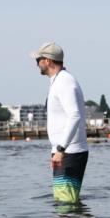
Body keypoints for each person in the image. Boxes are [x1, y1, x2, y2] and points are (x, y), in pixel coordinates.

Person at [31, 41, 89, 204]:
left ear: (48, 61)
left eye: (38, 60)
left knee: (66, 204)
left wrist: (61, 149)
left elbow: (75, 116)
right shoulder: (58, 81)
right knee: (62, 202)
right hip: (63, 151)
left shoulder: (64, 82)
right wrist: (57, 150)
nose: (36, 64)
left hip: (69, 151)